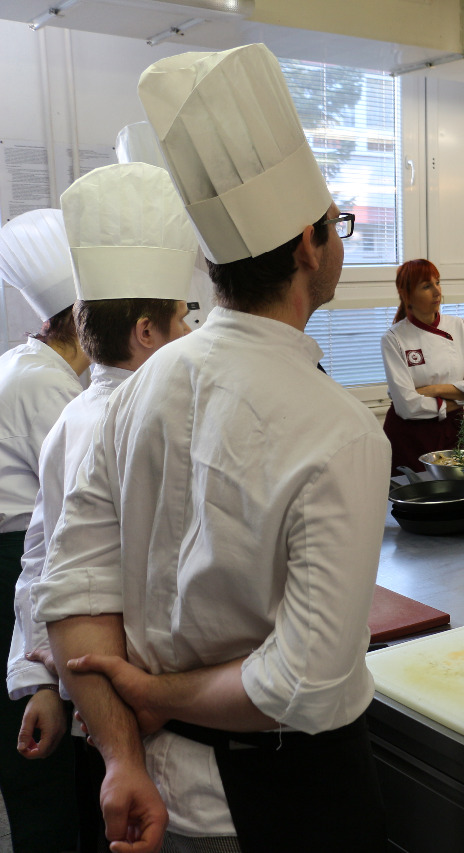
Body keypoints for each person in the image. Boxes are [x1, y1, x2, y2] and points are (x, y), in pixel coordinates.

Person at [33, 43, 391, 853]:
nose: (339, 238)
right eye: (337, 223)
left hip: (154, 790)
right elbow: (302, 682)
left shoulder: (135, 390)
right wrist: (154, 694)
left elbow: (74, 589)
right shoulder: (341, 432)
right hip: (289, 800)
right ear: (308, 247)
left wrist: (121, 757)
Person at [6, 162, 196, 853]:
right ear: (147, 330)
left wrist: (40, 679)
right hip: (144, 711)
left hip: (93, 699)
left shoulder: (74, 415)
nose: (192, 329)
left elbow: (39, 558)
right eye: (184, 316)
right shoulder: (147, 421)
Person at [0, 207, 84, 853]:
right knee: (40, 759)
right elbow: (70, 511)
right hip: (16, 564)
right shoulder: (47, 388)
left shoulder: (22, 364)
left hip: (17, 556)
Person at [381, 258, 464, 472]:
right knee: (416, 491)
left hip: (454, 429)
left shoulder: (461, 327)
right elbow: (407, 406)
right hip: (409, 436)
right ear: (408, 295)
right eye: (426, 286)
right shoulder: (393, 339)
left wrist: (432, 390)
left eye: (438, 283)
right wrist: (461, 393)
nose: (437, 291)